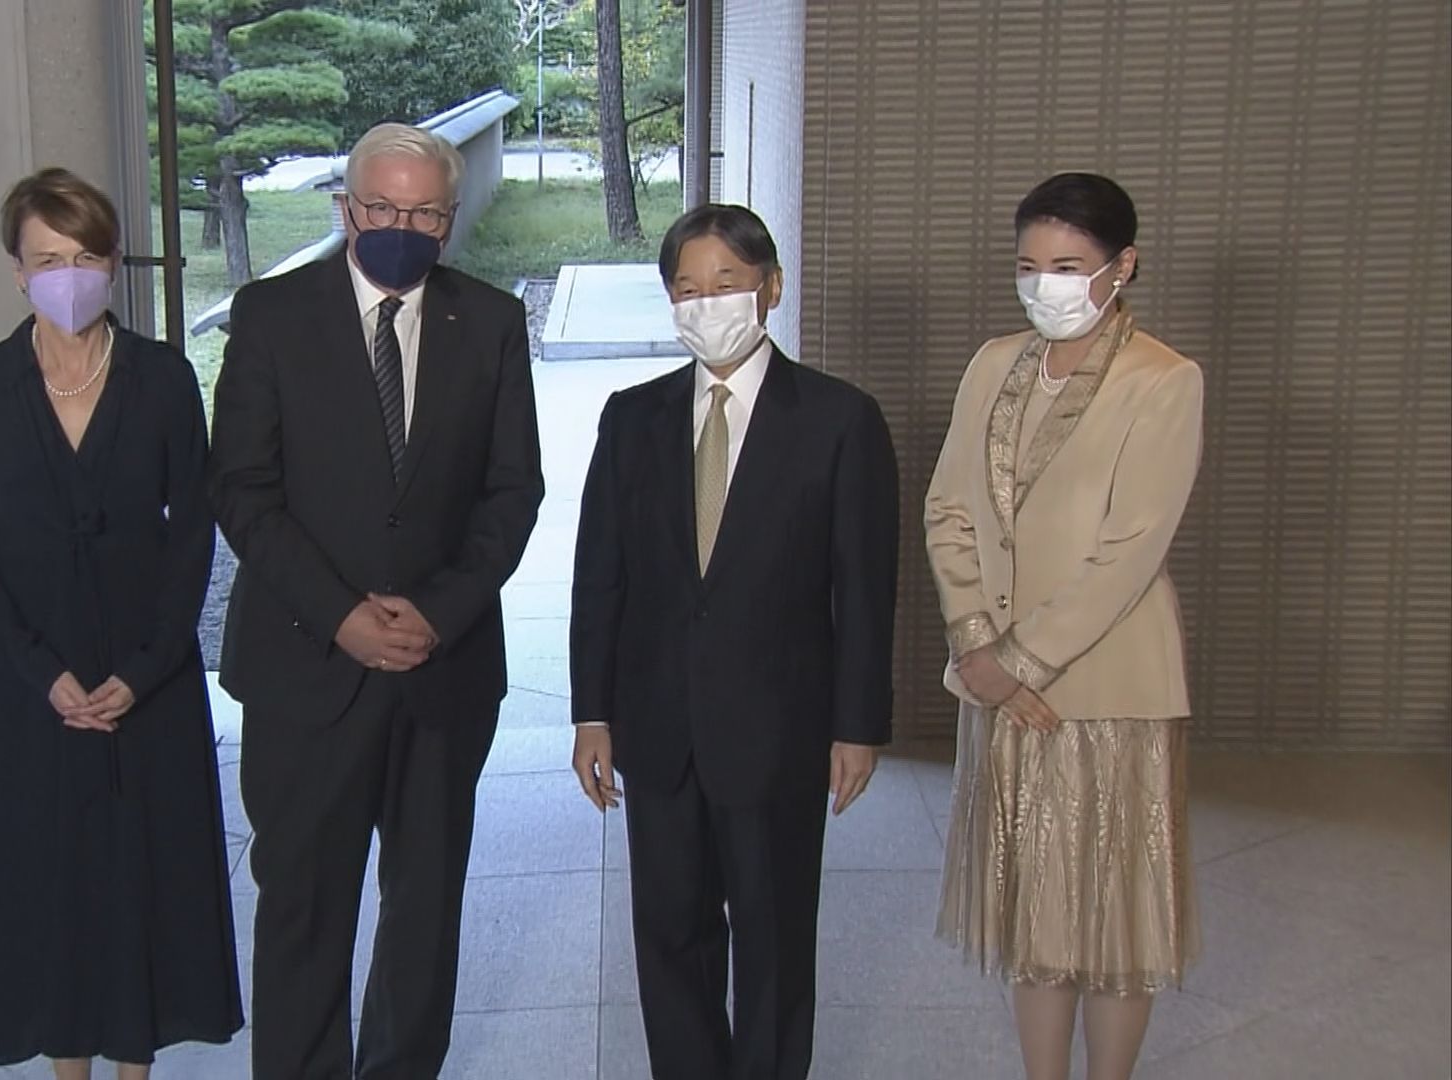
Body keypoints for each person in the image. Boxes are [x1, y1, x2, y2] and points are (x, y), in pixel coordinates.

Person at [208, 123, 543, 1079]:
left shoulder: (490, 321)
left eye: (426, 213)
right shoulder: (272, 315)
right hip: (306, 665)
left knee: (425, 907)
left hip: (444, 671)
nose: (403, 227)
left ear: (451, 216)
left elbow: (513, 491)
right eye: (383, 208)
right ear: (347, 208)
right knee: (304, 904)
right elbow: (242, 488)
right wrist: (341, 615)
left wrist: (439, 610)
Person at [569, 204, 901, 1079]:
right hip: (658, 728)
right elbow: (600, 577)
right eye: (687, 289)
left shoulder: (839, 420)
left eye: (726, 283)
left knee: (774, 939)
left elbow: (865, 588)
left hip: (779, 730)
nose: (705, 304)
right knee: (669, 936)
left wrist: (858, 725)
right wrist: (592, 713)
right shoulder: (631, 418)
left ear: (771, 288)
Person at [0, 167, 243, 1078]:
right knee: (48, 887)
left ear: (112, 264)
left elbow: (192, 535)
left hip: (146, 679)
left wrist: (146, 667)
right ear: (17, 271)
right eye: (46, 260)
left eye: (83, 257)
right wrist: (39, 671)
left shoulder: (163, 378)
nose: (66, 277)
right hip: (30, 687)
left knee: (143, 882)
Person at [927, 173, 1204, 1080]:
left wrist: (1019, 661)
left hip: (1109, 686)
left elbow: (1129, 549)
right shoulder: (991, 364)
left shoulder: (1163, 379)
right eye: (1029, 266)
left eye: (1069, 265)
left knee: (1114, 918)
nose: (1046, 285)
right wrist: (978, 646)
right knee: (1032, 910)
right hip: (999, 679)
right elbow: (948, 510)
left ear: (1123, 266)